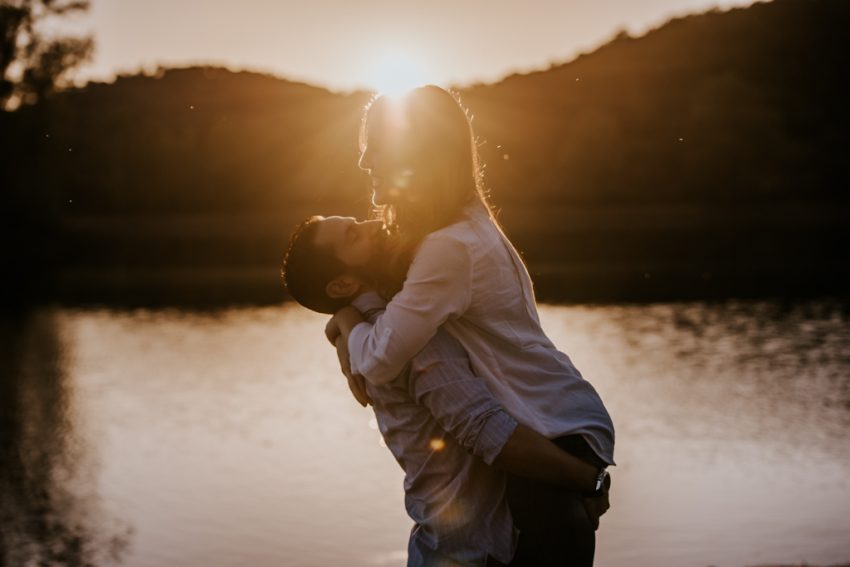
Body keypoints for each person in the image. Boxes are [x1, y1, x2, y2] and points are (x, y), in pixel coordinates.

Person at [324, 86, 616, 566]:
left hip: (551, 433)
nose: (364, 161)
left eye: (376, 145)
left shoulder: (449, 247)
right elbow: (379, 308)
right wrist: (341, 318)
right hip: (555, 422)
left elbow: (378, 359)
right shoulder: (458, 226)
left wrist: (346, 319)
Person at [282, 215, 609, 566]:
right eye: (353, 234)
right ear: (343, 284)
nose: (374, 223)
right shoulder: (407, 340)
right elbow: (487, 431)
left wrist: (341, 321)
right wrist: (590, 479)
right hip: (468, 553)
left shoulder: (385, 325)